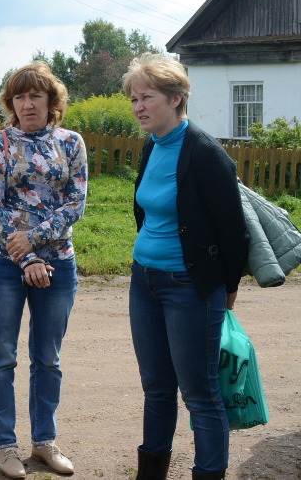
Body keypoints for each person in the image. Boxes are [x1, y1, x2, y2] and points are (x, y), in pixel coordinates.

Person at [124, 54, 248, 480]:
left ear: (176, 98)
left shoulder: (206, 153)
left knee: (199, 393)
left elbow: (235, 233)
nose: (138, 106)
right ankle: (150, 474)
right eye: (134, 99)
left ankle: (208, 473)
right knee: (157, 389)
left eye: (147, 97)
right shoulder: (151, 145)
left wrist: (225, 287)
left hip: (190, 287)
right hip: (144, 282)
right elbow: (147, 212)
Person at [0, 61, 87, 479]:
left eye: (35, 96)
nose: (27, 103)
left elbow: (75, 204)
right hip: (4, 264)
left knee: (48, 358)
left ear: (51, 100)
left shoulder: (71, 143)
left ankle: (44, 443)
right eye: (19, 97)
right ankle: (5, 446)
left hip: (58, 265)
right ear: (11, 102)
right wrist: (26, 257)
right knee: (2, 357)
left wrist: (37, 244)